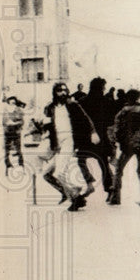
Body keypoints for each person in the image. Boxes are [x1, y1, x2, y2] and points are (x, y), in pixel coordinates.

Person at [41, 82, 98, 212]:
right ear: (55, 92)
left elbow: (86, 119)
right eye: (59, 91)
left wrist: (93, 132)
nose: (63, 93)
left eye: (65, 90)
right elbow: (48, 125)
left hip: (69, 141)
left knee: (59, 174)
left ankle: (76, 198)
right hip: (57, 143)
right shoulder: (50, 108)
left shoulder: (72, 104)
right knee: (46, 174)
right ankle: (71, 190)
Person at [107, 89, 140, 206]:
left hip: (128, 146)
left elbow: (117, 130)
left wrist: (118, 141)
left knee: (119, 170)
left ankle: (115, 198)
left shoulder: (122, 112)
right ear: (137, 98)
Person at [76, 77, 115, 198]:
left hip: (86, 137)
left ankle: (89, 182)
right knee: (103, 162)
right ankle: (109, 190)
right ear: (101, 88)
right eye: (104, 86)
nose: (104, 89)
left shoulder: (82, 101)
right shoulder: (107, 101)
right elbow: (111, 120)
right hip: (101, 137)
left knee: (81, 160)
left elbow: (78, 120)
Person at [2, 96, 27, 172]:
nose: (12, 104)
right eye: (11, 102)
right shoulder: (5, 111)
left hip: (16, 132)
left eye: (14, 103)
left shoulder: (18, 110)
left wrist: (14, 123)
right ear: (8, 102)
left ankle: (21, 165)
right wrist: (7, 124)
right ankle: (7, 165)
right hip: (7, 132)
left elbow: (22, 122)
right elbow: (3, 122)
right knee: (6, 150)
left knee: (18, 149)